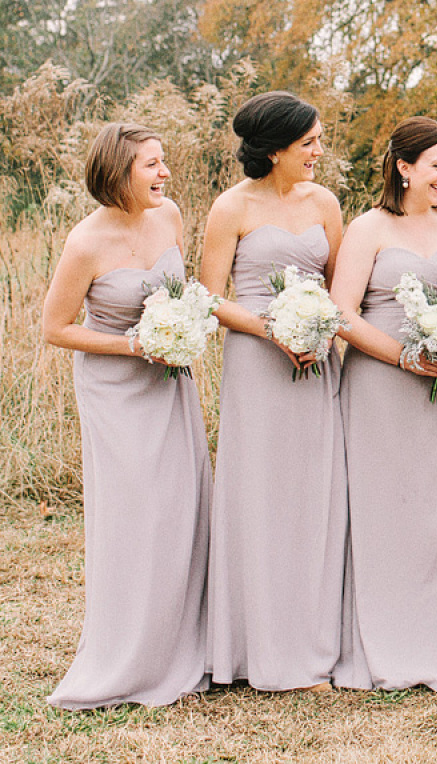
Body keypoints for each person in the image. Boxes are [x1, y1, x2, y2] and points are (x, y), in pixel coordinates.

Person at [42, 123, 210, 708]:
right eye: (152, 165)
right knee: (134, 513)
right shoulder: (85, 242)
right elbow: (56, 328)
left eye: (164, 162)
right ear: (119, 172)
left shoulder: (171, 218)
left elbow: (180, 293)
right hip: (116, 387)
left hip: (170, 383)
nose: (165, 174)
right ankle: (125, 657)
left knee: (180, 506)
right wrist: (137, 346)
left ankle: (180, 648)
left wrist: (181, 328)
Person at [329, 116, 437, 693]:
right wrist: (403, 358)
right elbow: (343, 313)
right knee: (386, 509)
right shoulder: (368, 228)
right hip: (380, 386)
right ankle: (385, 639)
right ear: (404, 167)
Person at [200, 91, 347, 692]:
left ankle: (312, 645)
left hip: (315, 364)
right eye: (308, 143)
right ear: (276, 149)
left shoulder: (326, 203)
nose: (318, 152)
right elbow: (210, 298)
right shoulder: (230, 208)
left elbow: (342, 290)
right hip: (258, 367)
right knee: (260, 497)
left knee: (314, 499)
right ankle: (253, 647)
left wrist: (318, 328)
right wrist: (272, 329)